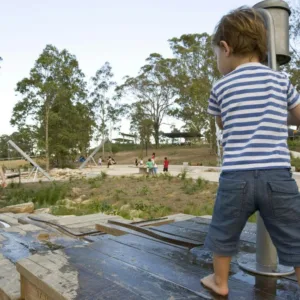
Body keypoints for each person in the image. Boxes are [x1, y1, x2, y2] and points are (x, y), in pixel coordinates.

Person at [200, 7, 300, 296]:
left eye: (216, 55)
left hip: (236, 177)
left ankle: (220, 282)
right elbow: (297, 116)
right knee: (294, 234)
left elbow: (222, 121)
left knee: (223, 230)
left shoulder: (221, 86)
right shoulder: (280, 81)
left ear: (226, 47)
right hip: (277, 176)